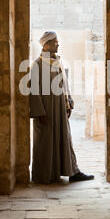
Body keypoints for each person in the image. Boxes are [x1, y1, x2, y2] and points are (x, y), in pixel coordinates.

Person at [29, 31, 94, 184]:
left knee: (64, 139)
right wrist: (39, 113)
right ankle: (44, 175)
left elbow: (64, 84)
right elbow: (33, 91)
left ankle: (73, 171)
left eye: (57, 41)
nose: (58, 44)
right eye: (55, 42)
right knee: (45, 142)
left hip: (60, 109)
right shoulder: (37, 65)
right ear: (46, 45)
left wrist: (68, 102)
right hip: (46, 111)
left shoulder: (58, 62)